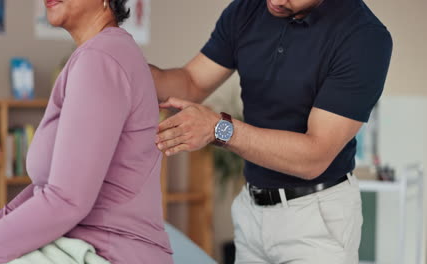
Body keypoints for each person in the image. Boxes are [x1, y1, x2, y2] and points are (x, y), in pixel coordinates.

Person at [150, 0, 392, 263]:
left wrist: (217, 129)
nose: (275, 1)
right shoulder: (247, 9)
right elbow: (191, 81)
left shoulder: (363, 37)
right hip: (251, 211)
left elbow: (314, 155)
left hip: (316, 221)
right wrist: (122, 64)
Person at [0, 0, 173, 263]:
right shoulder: (103, 53)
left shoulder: (102, 58)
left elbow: (66, 201)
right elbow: (45, 193)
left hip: (106, 252)